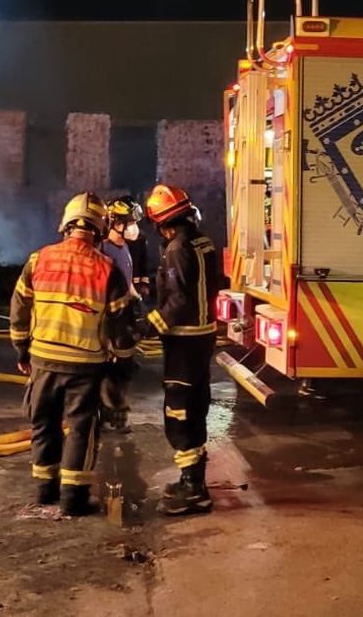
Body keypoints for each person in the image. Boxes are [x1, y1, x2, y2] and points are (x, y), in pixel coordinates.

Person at [9, 192, 138, 516]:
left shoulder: (39, 259)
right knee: (81, 428)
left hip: (43, 359)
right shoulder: (107, 268)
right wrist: (122, 360)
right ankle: (73, 499)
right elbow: (121, 324)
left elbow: (19, 307)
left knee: (44, 423)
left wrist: (21, 349)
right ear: (99, 228)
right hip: (85, 365)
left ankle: (45, 491)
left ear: (66, 225)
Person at [142, 183, 223, 516]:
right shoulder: (203, 242)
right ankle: (194, 480)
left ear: (162, 223)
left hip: (184, 341)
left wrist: (147, 327)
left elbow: (178, 300)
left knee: (179, 411)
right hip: (203, 338)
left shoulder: (177, 248)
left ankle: (193, 489)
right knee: (196, 405)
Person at [99, 196, 145, 432]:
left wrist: (137, 298)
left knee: (125, 366)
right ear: (115, 222)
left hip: (124, 315)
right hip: (111, 319)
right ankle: (110, 414)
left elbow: (126, 282)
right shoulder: (104, 250)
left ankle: (115, 411)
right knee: (112, 368)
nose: (134, 227)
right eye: (130, 222)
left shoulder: (124, 247)